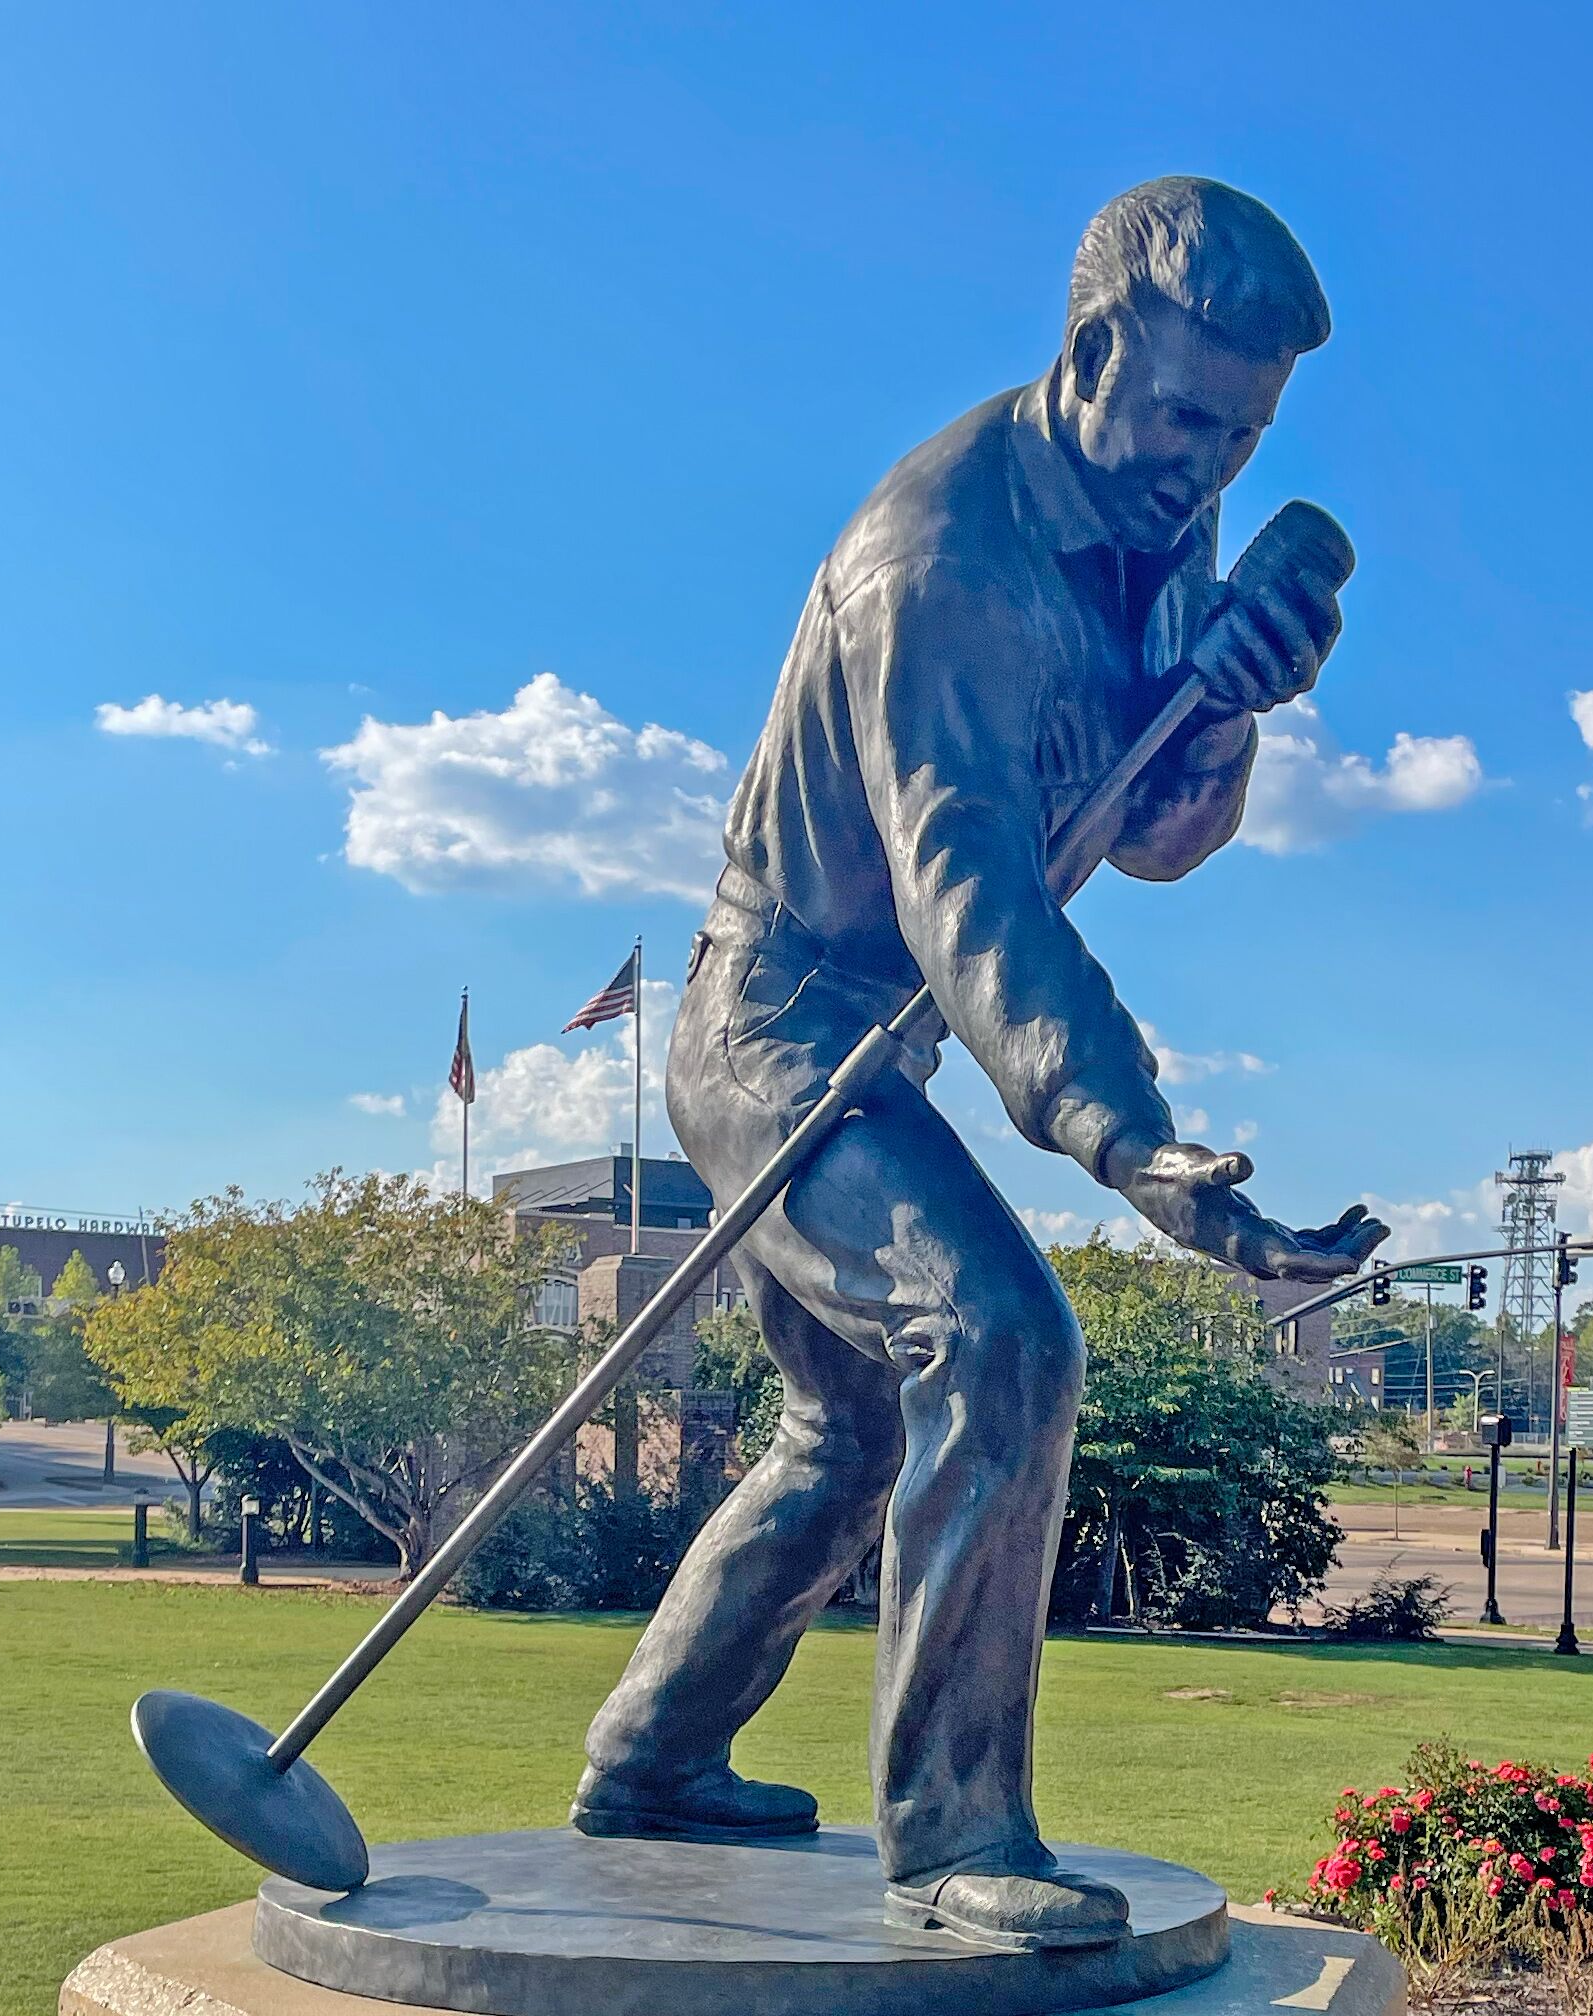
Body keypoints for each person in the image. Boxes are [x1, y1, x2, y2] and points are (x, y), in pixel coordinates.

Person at [573, 176, 1384, 1953]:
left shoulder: (1155, 516)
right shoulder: (936, 561)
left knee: (845, 1422)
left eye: (1242, 434)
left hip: (881, 1038)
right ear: (1094, 350)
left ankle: (650, 1756)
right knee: (1004, 1338)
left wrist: (1225, 703)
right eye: (1186, 415)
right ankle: (951, 1838)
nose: (1206, 468)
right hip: (777, 1018)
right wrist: (1127, 1137)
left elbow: (1153, 834)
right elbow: (974, 895)